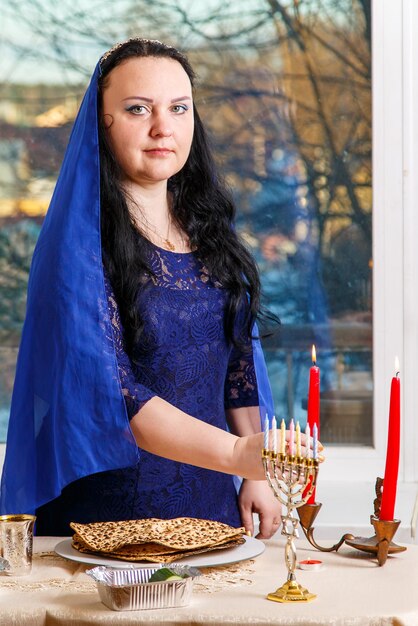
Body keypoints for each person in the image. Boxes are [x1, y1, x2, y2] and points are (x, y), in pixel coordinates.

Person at [1, 38, 302, 538]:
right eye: (138, 108)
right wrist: (237, 454)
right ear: (103, 122)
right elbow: (114, 396)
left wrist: (256, 473)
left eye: (178, 108)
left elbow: (239, 366)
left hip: (211, 508)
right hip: (110, 519)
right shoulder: (77, 248)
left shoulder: (211, 233)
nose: (164, 127)